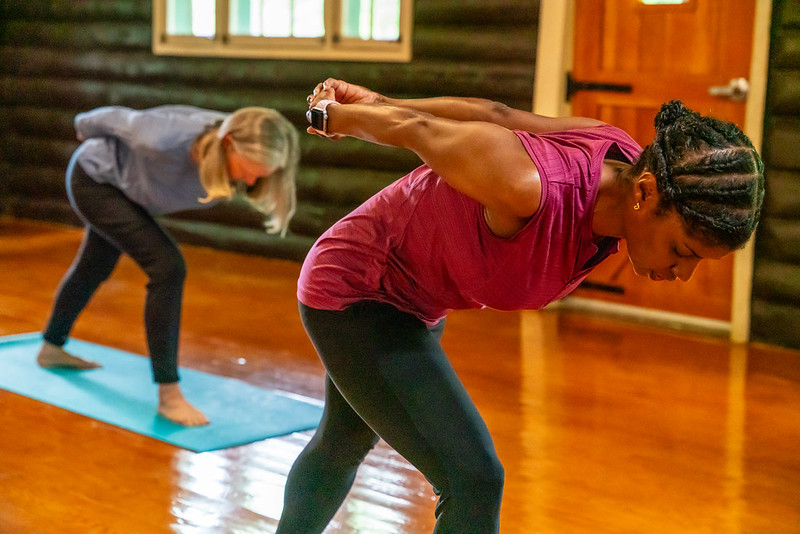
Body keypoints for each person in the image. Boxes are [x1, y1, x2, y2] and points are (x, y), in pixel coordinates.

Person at [275, 78, 765, 533]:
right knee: (473, 478)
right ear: (643, 193)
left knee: (342, 442)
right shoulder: (527, 187)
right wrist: (334, 116)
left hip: (417, 299)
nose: (682, 275)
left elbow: (497, 113)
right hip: (361, 287)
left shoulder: (621, 158)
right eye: (683, 252)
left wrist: (379, 101)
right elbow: (418, 130)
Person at [37, 104, 300, 426]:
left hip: (129, 193)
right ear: (229, 143)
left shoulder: (233, 150)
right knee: (167, 268)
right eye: (250, 169)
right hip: (96, 181)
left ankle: (51, 347)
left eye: (260, 174)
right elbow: (92, 119)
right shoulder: (162, 137)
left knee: (94, 267)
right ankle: (169, 396)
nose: (250, 179)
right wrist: (86, 134)